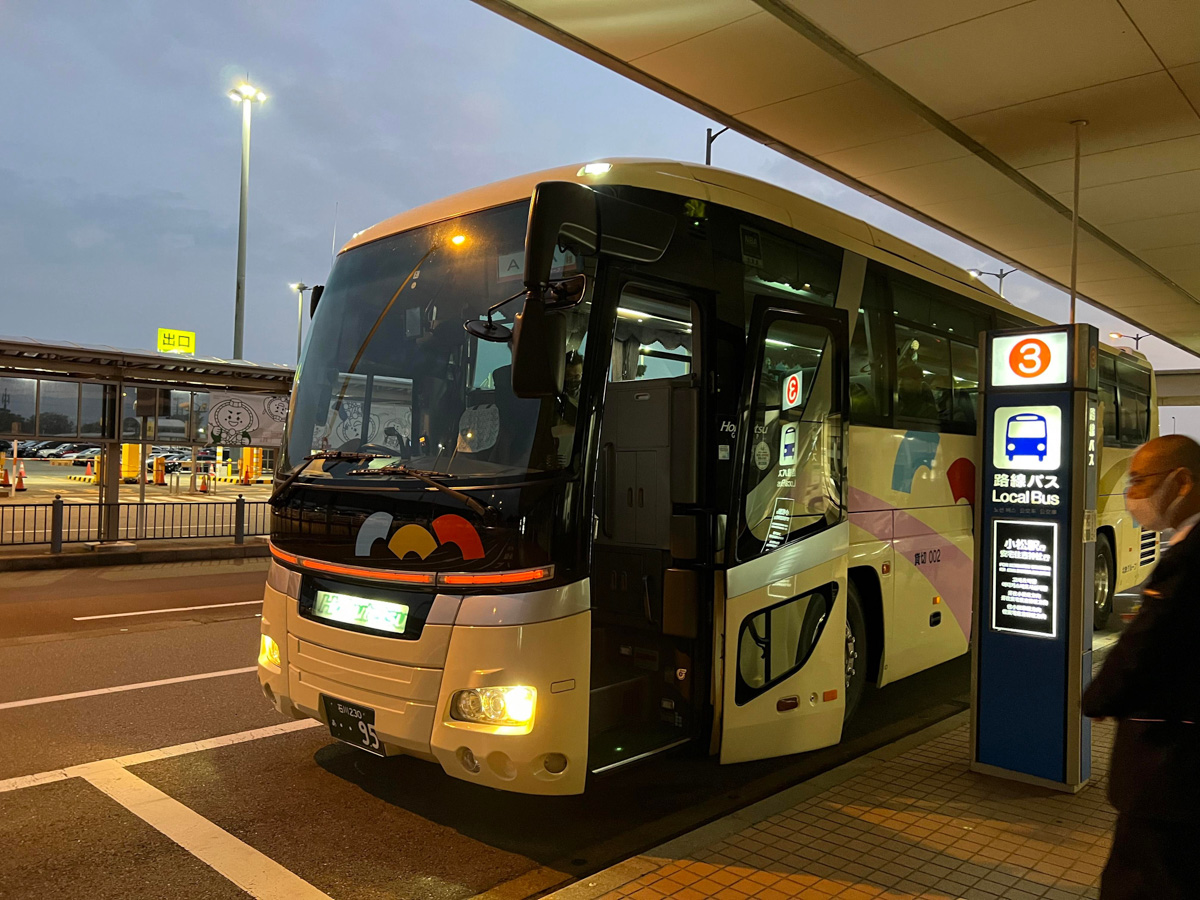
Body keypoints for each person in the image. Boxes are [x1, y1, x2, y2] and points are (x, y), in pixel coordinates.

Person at [1082, 434, 1200, 900]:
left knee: (1141, 882)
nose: (1132, 495)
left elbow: (1144, 647)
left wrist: (1098, 699)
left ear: (1182, 482)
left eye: (1139, 481)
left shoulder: (1189, 559)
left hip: (1170, 770)